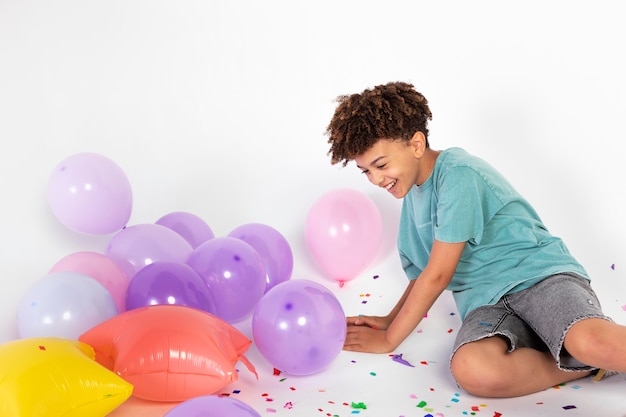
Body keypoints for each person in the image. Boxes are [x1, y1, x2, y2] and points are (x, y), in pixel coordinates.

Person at [324, 81, 626, 398]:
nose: (375, 179)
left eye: (381, 165)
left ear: (415, 145)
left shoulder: (458, 174)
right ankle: (581, 363)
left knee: (589, 341)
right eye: (365, 171)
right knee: (472, 369)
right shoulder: (413, 198)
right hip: (486, 306)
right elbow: (422, 275)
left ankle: (582, 351)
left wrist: (389, 341)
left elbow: (438, 274)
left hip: (539, 279)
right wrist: (389, 320)